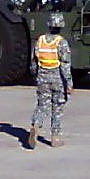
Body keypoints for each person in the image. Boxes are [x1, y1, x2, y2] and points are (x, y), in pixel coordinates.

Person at [28, 12, 73, 149]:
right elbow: (65, 65)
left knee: (42, 105)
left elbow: (34, 62)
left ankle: (36, 125)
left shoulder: (40, 40)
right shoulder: (61, 43)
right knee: (57, 107)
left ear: (48, 25)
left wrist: (36, 76)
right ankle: (55, 136)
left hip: (42, 77)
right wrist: (69, 84)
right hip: (57, 79)